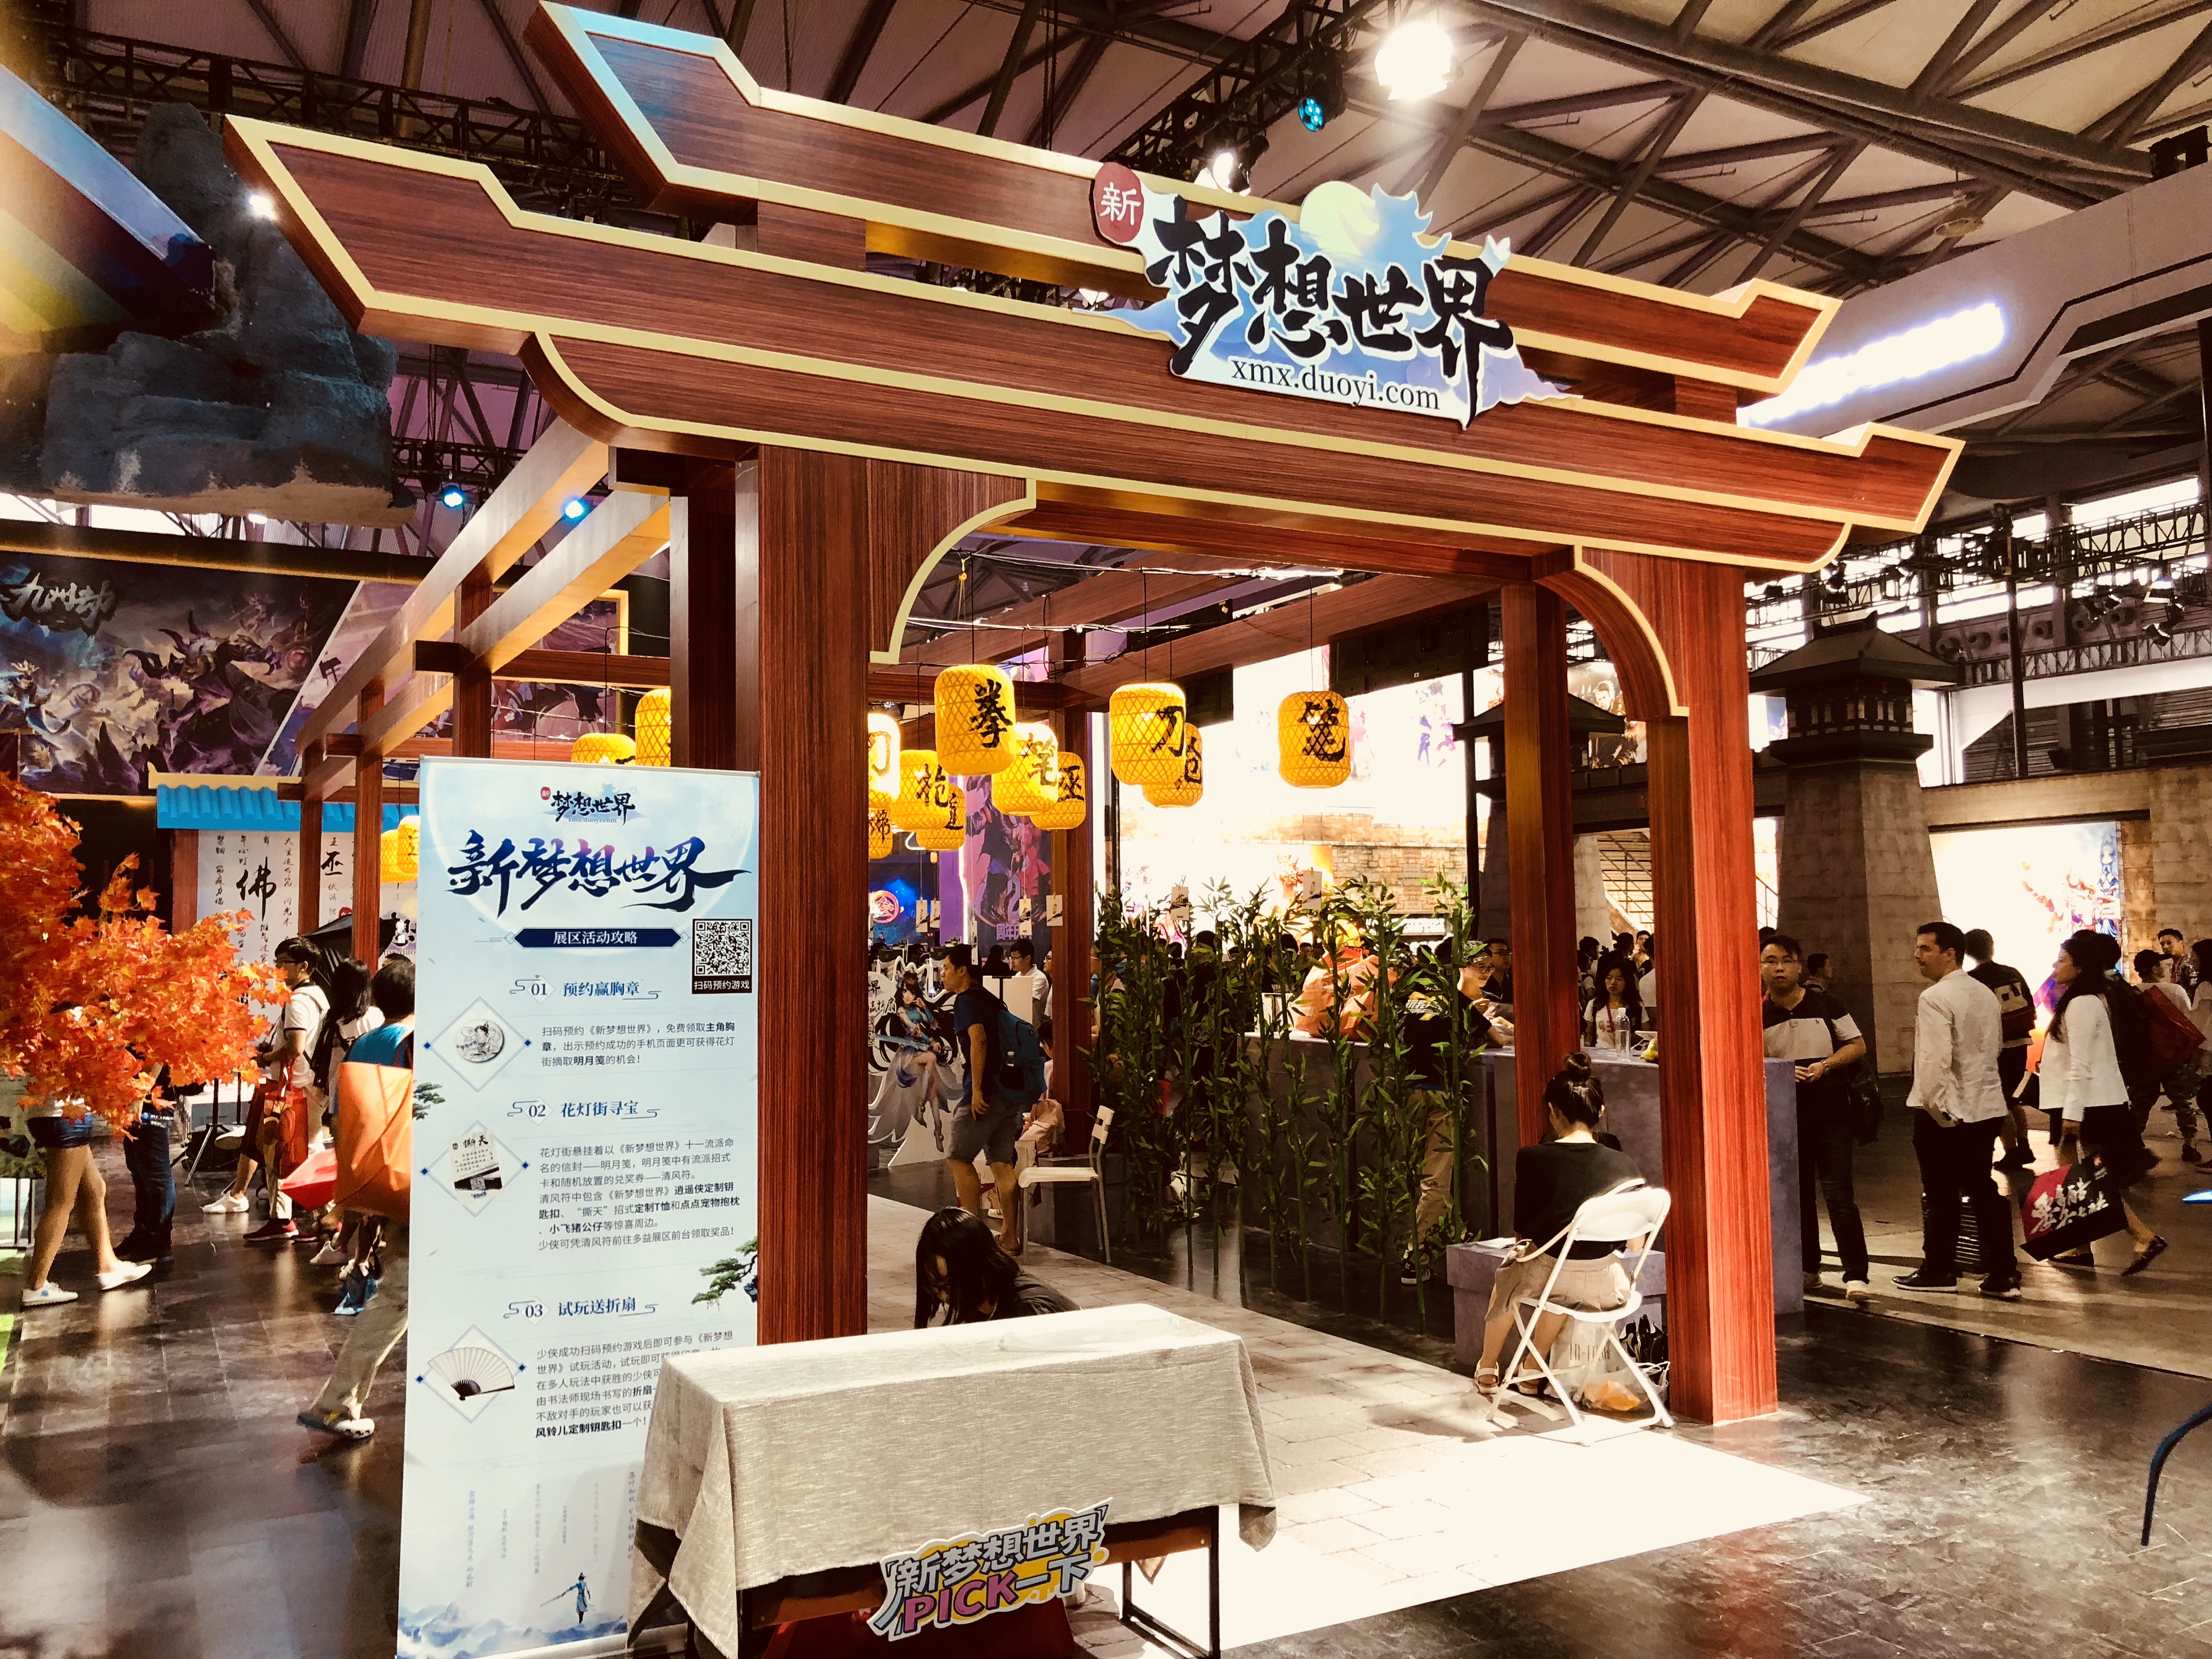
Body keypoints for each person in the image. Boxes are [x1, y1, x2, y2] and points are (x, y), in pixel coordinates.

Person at [1472, 1056, 1641, 1395]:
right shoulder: (1625, 1164)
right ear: (1601, 1111)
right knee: (1563, 1276)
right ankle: (1532, 1371)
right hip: (1610, 1287)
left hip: (1554, 1277)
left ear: (1553, 1112)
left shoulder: (1533, 1157)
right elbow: (1636, 1245)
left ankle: (1488, 1365)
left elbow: (1526, 1227)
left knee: (1520, 1273)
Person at [298, 956, 416, 1441]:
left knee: (400, 1289)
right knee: (401, 1294)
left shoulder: (365, 1042)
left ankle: (339, 1401)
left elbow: (344, 1109)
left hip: (382, 1174)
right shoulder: (417, 1043)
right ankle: (337, 1401)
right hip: (423, 1177)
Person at [1896, 921, 2022, 1297]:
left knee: (1941, 1193)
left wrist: (1937, 1111)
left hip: (1948, 1112)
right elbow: (1994, 1048)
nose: (1917, 956)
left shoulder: (1934, 997)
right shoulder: (1984, 993)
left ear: (1950, 953)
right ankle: (2003, 1273)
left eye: (1926, 949)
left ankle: (1939, 1269)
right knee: (1982, 1189)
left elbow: (1934, 1062)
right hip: (1985, 1106)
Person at [2042, 931, 2165, 1276]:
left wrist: (2072, 1114)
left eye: (2062, 960)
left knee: (2085, 1178)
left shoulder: (2083, 1003)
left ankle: (2142, 1236)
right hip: (2087, 1101)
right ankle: (2082, 1246)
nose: (2055, 966)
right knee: (2079, 1177)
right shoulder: (2088, 999)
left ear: (2080, 966)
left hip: (2086, 1104)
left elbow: (2082, 1062)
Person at [1760, 934, 1871, 1301]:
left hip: (1831, 1112)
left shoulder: (1827, 1003)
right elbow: (1745, 1060)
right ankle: (1808, 1269)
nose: (1779, 968)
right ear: (1760, 968)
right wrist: (1775, 1070)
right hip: (1784, 1116)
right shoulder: (1755, 1013)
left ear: (1799, 967)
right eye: (1770, 961)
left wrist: (1826, 1065)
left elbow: (1857, 1045)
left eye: (1786, 961)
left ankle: (1856, 1276)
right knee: (1798, 1195)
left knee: (1839, 1194)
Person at [207, 938, 329, 1243]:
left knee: (281, 1152)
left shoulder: (297, 1000)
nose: (278, 968)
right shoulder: (319, 997)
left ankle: (293, 1220)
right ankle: (316, 1218)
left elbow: (295, 1047)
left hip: (293, 1087)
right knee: (303, 1152)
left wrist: (265, 1058)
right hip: (309, 1085)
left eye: (284, 962)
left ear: (304, 966)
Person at [1397, 951, 1499, 1283]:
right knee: (1436, 1180)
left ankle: (1456, 1230)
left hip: (1405, 1091)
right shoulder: (1454, 1000)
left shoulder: (1407, 996)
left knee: (1421, 1175)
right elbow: (1497, 1038)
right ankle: (1415, 1257)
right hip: (1441, 1092)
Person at [18, 1082, 153, 1306]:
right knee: (61, 1202)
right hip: (66, 1117)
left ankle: (108, 1266)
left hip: (57, 1115)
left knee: (94, 1190)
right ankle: (36, 1286)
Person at [941, 944, 1023, 1254]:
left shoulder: (966, 1001)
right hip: (1008, 1092)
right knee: (1002, 1163)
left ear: (962, 971)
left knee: (959, 1158)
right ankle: (1010, 1237)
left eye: (947, 968)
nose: (943, 974)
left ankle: (971, 1241)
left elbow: (979, 1039)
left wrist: (976, 1090)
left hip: (985, 1093)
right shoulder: (991, 999)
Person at [912, 1205, 1077, 1325]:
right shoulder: (978, 1298)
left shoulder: (1027, 1312)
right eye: (934, 1287)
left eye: (949, 1285)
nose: (944, 1296)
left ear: (978, 1267)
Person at [1963, 929, 2039, 1170]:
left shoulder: (1972, 980)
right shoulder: (2012, 972)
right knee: (2013, 1097)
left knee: (1999, 1100)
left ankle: (2012, 1151)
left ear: (1967, 952)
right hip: (2021, 1042)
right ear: (1992, 946)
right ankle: (2024, 1145)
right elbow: (2030, 1003)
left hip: (1995, 1048)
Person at [2135, 947, 2203, 1163]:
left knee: (2141, 1103)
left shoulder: (2133, 993)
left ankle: (2133, 1144)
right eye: (2160, 965)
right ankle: (2190, 1143)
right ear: (2155, 968)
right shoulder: (2175, 991)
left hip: (2146, 1058)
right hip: (2174, 1056)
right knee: (2183, 1102)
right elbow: (2188, 1021)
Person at [1584, 957, 1641, 1053]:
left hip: (1628, 1055)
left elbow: (1645, 1036)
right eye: (1609, 978)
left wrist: (1628, 1036)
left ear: (1627, 982)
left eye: (1619, 979)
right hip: (1601, 1055)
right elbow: (1589, 1036)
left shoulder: (1636, 1006)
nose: (1613, 982)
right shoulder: (1595, 1005)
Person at [2160, 927, 2197, 995]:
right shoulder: (2173, 965)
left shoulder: (2189, 962)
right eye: (2162, 944)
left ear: (2181, 943)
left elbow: (2194, 989)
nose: (2165, 947)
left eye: (2169, 943)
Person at [1482, 938, 1515, 1008]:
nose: (1507, 956)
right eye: (1501, 953)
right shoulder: (1482, 982)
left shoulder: (1512, 983)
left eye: (1508, 953)